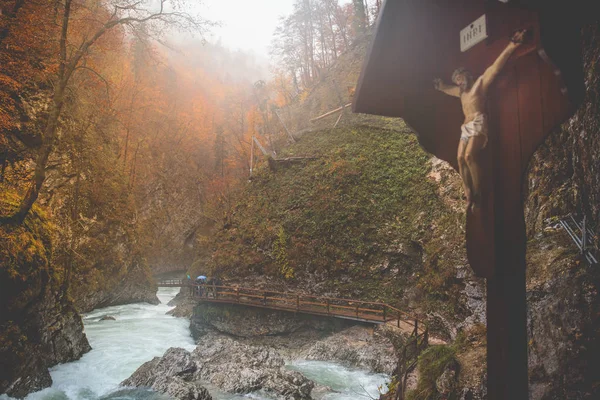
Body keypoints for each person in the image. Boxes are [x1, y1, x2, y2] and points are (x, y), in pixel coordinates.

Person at [433, 29, 527, 212]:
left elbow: (495, 68)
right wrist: (440, 86)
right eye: (457, 81)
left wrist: (512, 45)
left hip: (478, 122)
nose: (459, 83)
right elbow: (447, 89)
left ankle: (480, 192)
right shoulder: (461, 93)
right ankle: (469, 193)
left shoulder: (478, 85)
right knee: (460, 158)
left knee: (469, 156)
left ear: (467, 76)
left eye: (460, 79)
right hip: (466, 127)